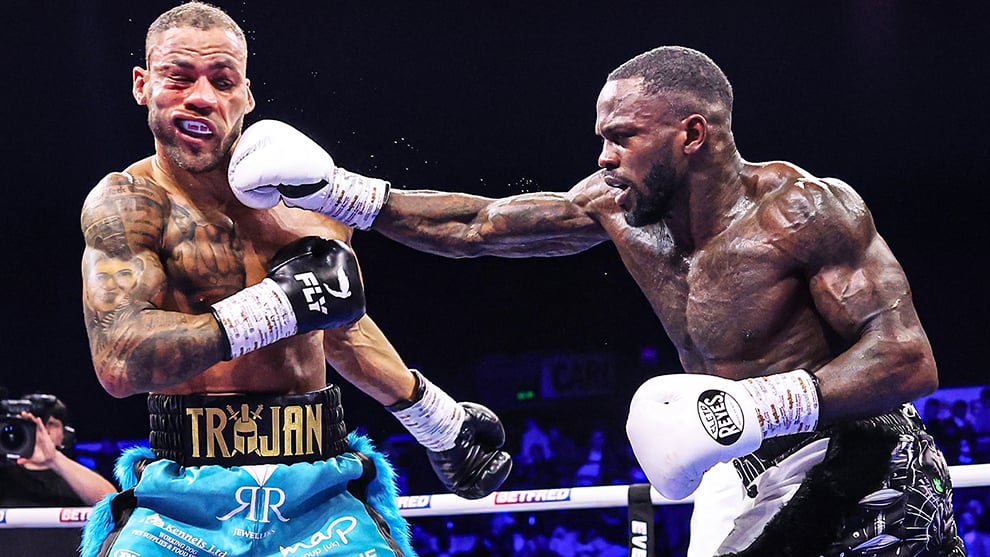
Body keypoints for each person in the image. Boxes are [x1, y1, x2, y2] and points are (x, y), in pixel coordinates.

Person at [249, 46, 964, 555]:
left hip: (857, 457)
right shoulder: (616, 207)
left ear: (692, 135)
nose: (603, 157)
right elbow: (478, 226)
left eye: (623, 138)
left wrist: (761, 405)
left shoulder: (802, 211)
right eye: (603, 139)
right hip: (740, 465)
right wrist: (337, 190)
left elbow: (907, 358)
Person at [78, 3, 510, 556]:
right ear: (143, 85)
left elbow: (338, 324)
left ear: (247, 96)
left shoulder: (307, 192)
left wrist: (437, 421)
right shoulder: (128, 202)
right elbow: (120, 359)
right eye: (179, 77)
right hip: (182, 498)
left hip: (319, 490)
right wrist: (277, 307)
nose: (202, 97)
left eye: (222, 81)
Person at [0, 396, 117, 507]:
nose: (43, 431)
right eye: (34, 425)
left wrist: (53, 458)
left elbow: (112, 503)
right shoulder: (5, 474)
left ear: (64, 434)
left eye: (51, 424)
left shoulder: (79, 477)